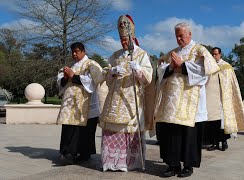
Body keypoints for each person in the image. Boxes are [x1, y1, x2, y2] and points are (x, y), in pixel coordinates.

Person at [154, 22, 220, 177]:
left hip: (192, 101)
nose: (178, 39)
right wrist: (171, 67)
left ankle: (188, 166)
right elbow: (161, 68)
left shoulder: (200, 51)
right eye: (176, 36)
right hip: (172, 102)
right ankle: (173, 164)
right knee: (172, 134)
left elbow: (205, 71)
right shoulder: (172, 52)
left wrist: (182, 66)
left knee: (190, 134)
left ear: (190, 34)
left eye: (181, 35)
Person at [99, 14, 153, 172]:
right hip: (115, 98)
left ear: (132, 37)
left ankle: (130, 162)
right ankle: (111, 162)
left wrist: (139, 70)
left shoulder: (141, 54)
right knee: (112, 128)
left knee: (130, 129)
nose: (123, 43)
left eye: (126, 39)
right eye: (121, 40)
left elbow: (148, 79)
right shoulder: (115, 55)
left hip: (132, 98)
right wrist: (113, 71)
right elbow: (105, 74)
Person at [57, 42, 104, 164]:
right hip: (70, 104)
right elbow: (60, 83)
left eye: (77, 51)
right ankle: (67, 153)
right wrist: (66, 78)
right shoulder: (70, 66)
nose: (74, 54)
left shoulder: (91, 64)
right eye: (72, 52)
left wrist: (74, 76)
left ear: (84, 51)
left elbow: (95, 80)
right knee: (69, 129)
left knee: (84, 131)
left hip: (86, 104)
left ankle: (84, 153)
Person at [204, 47, 244, 151]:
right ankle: (214, 143)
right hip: (212, 97)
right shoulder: (209, 66)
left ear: (220, 54)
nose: (214, 56)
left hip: (223, 97)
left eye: (216, 54)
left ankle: (224, 142)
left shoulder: (226, 67)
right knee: (213, 121)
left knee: (223, 122)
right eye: (212, 54)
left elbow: (229, 82)